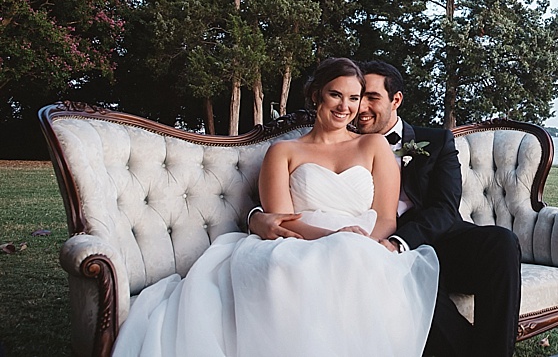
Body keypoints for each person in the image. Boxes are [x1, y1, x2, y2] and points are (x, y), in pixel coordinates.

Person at [113, 58, 440, 357]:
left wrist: (360, 246)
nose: (345, 107)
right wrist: (333, 238)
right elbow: (282, 221)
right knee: (291, 273)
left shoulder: (374, 145)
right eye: (335, 95)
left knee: (354, 266)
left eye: (354, 98)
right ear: (316, 96)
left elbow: (385, 218)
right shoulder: (283, 151)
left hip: (363, 243)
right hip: (296, 242)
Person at [251, 60, 521, 357]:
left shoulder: (435, 141)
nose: (358, 106)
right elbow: (283, 207)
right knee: (411, 299)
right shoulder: (296, 149)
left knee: (501, 242)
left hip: (429, 240)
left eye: (369, 97)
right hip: (362, 248)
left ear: (396, 100)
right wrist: (256, 218)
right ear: (319, 95)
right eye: (354, 96)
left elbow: (444, 208)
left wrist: (395, 244)